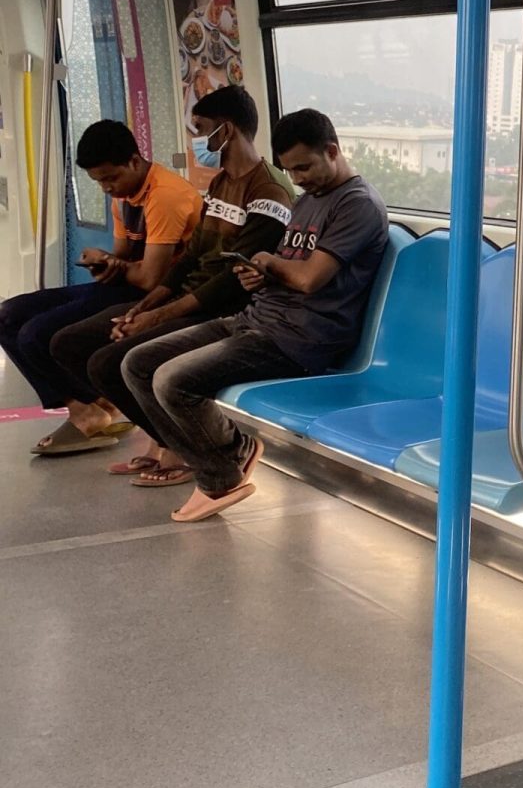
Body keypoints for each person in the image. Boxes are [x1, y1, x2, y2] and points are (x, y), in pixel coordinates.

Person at [121, 109, 389, 523]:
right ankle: (233, 450)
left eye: (303, 167)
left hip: (300, 338)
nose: (296, 178)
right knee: (137, 363)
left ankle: (219, 476)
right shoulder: (309, 200)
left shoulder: (358, 205)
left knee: (172, 381)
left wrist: (269, 262)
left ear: (333, 151)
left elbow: (309, 279)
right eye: (289, 169)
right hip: (258, 319)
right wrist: (259, 275)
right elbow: (288, 267)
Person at [46, 85, 294, 485]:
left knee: (111, 363)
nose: (197, 140)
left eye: (201, 129)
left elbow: (232, 281)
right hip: (183, 298)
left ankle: (198, 451)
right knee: (70, 343)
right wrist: (146, 306)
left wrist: (160, 316)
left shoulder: (269, 191)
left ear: (226, 130)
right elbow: (193, 255)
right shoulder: (221, 182)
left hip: (221, 309)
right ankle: (171, 441)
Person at [0, 120, 203, 457]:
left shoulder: (166, 195)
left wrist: (116, 266)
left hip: (162, 293)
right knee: (8, 315)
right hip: (127, 285)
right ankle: (86, 407)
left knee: (35, 334)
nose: (107, 187)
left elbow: (150, 279)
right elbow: (123, 257)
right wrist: (103, 262)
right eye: (99, 181)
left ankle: (101, 406)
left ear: (134, 161)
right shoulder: (123, 196)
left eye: (111, 178)